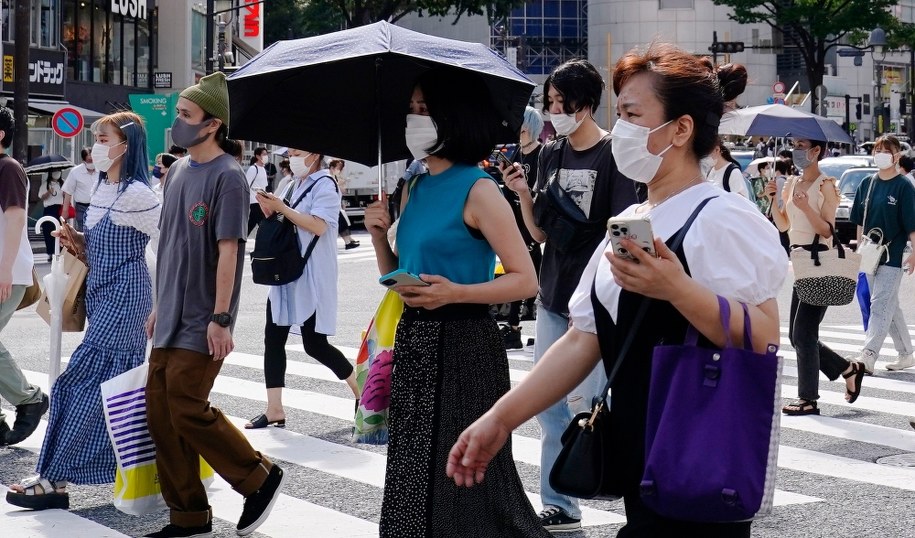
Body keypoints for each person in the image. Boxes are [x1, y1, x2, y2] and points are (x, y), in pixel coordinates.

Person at [447, 42, 788, 538]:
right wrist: (500, 419)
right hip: (638, 458)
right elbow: (581, 339)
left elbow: (764, 337)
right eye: (619, 114)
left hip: (698, 459)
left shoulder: (721, 218)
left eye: (632, 115)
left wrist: (677, 288)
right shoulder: (631, 220)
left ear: (681, 129)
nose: (621, 128)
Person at [363, 67, 545, 537]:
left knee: (465, 476)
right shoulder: (414, 186)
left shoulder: (479, 188)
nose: (414, 118)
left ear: (453, 117)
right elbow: (400, 272)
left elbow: (526, 281)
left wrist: (456, 292)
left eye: (425, 109)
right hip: (414, 339)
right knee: (412, 465)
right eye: (411, 109)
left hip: (467, 344)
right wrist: (379, 237)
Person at [500, 58, 641, 532]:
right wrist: (523, 195)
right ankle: (559, 503)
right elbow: (540, 235)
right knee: (549, 404)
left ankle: (628, 490)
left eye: (563, 103)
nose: (555, 111)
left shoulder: (613, 154)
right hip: (554, 293)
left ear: (587, 104)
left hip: (598, 302)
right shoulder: (551, 153)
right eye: (551, 103)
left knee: (595, 403)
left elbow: (622, 231)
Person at [143, 72, 285, 538]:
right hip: (170, 314)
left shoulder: (228, 176)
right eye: (179, 113)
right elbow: (170, 245)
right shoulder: (178, 171)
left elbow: (229, 251)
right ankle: (188, 517)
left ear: (213, 124)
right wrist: (159, 304)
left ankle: (258, 476)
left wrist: (222, 318)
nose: (178, 122)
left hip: (204, 317)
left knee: (185, 405)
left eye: (187, 115)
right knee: (161, 417)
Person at [6, 111, 161, 511]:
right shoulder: (102, 186)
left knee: (81, 384)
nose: (96, 147)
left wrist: (163, 305)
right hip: (101, 293)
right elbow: (102, 245)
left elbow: (169, 248)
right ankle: (159, 465)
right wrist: (76, 238)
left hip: (126, 298)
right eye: (96, 138)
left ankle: (54, 477)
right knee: (116, 391)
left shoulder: (140, 194)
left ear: (127, 144)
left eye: (104, 139)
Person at [245, 149, 359, 430]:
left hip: (311, 274)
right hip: (286, 269)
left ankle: (361, 390)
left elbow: (318, 226)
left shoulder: (326, 184)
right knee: (273, 338)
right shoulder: (293, 184)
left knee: (314, 344)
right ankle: (274, 408)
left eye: (297, 152)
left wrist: (282, 209)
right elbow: (287, 222)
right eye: (290, 152)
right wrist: (270, 209)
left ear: (315, 154)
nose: (292, 157)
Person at [768, 137, 865, 416]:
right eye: (794, 145)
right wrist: (774, 200)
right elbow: (784, 225)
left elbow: (827, 230)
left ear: (816, 151)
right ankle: (848, 369)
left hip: (819, 260)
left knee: (803, 334)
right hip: (800, 262)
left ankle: (808, 399)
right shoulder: (791, 183)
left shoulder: (826, 185)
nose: (796, 150)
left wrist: (806, 207)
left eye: (801, 145)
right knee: (797, 335)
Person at [0, 105, 48, 447]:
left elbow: (16, 219)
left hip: (7, 272)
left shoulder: (8, 168)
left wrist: (4, 270)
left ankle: (29, 399)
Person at [850, 135, 915, 373]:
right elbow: (859, 221)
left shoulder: (904, 186)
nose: (881, 154)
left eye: (887, 151)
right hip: (869, 255)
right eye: (878, 150)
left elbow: (912, 224)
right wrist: (859, 250)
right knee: (889, 305)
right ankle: (906, 354)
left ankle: (868, 355)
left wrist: (914, 253)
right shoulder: (867, 183)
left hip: (893, 255)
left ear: (897, 156)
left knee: (879, 304)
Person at [500, 106, 544, 349]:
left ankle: (515, 327)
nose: (519, 133)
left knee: (526, 273)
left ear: (533, 128)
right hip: (515, 220)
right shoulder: (517, 153)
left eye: (523, 128)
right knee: (529, 273)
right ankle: (517, 325)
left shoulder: (542, 154)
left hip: (532, 222)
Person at [61, 146, 98, 231]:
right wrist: (65, 211)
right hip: (82, 207)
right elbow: (68, 191)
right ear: (83, 161)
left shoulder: (102, 171)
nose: (91, 162)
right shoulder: (75, 172)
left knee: (97, 232)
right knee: (83, 231)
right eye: (89, 160)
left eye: (93, 160)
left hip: (98, 207)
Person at [327, 158, 359, 249]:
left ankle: (349, 240)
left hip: (336, 205)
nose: (339, 170)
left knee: (343, 223)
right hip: (331, 206)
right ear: (332, 168)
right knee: (342, 223)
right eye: (338, 168)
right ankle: (348, 242)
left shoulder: (334, 177)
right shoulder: (328, 178)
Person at [38, 170, 65, 262]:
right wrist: (48, 192)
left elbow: (68, 195)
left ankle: (60, 252)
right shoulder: (45, 184)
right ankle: (50, 252)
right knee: (48, 231)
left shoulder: (63, 183)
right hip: (49, 209)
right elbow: (41, 197)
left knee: (61, 231)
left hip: (60, 209)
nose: (57, 173)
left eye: (58, 171)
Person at [246, 147, 269, 235]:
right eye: (264, 154)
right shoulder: (253, 168)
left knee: (252, 222)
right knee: (263, 224)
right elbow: (246, 184)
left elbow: (264, 187)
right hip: (254, 201)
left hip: (261, 201)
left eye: (266, 154)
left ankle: (241, 239)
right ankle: (266, 240)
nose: (266, 156)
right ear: (258, 156)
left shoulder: (263, 169)